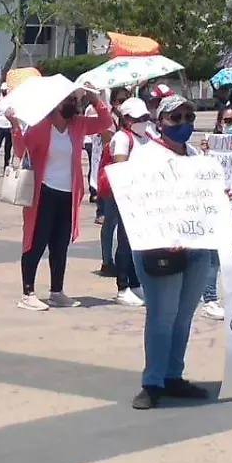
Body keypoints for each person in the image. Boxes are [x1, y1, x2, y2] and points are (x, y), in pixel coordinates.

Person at [129, 95, 216, 409]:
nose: (182, 124)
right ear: (159, 122)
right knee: (162, 316)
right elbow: (137, 203)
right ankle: (152, 382)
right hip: (160, 249)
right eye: (175, 118)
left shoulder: (197, 156)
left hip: (197, 247)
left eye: (188, 118)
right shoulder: (144, 157)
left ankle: (173, 375)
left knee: (183, 317)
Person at [11, 87, 113, 311]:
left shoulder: (78, 125)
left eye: (74, 99)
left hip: (68, 194)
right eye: (68, 99)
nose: (73, 104)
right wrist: (15, 126)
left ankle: (57, 291)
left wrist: (95, 99)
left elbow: (105, 122)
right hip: (42, 193)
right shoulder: (40, 127)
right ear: (56, 103)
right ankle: (28, 292)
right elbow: (21, 151)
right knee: (35, 243)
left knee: (60, 245)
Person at [98, 97, 151, 306]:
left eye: (146, 117)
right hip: (127, 197)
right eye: (139, 118)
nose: (144, 121)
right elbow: (121, 168)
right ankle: (123, 286)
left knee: (138, 244)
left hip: (144, 197)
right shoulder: (122, 138)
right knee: (125, 243)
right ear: (127, 119)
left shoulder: (147, 136)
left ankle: (136, 282)